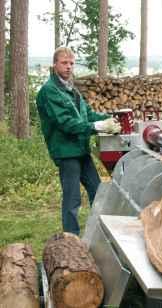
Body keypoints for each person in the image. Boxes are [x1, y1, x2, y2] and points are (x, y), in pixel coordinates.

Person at [36, 47, 121, 235]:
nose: (68, 67)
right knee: (72, 199)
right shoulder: (49, 92)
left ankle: (101, 235)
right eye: (64, 63)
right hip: (66, 153)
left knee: (98, 192)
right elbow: (66, 123)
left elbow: (87, 114)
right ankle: (71, 241)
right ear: (55, 65)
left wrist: (109, 119)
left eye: (71, 63)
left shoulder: (71, 89)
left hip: (81, 150)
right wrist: (97, 127)